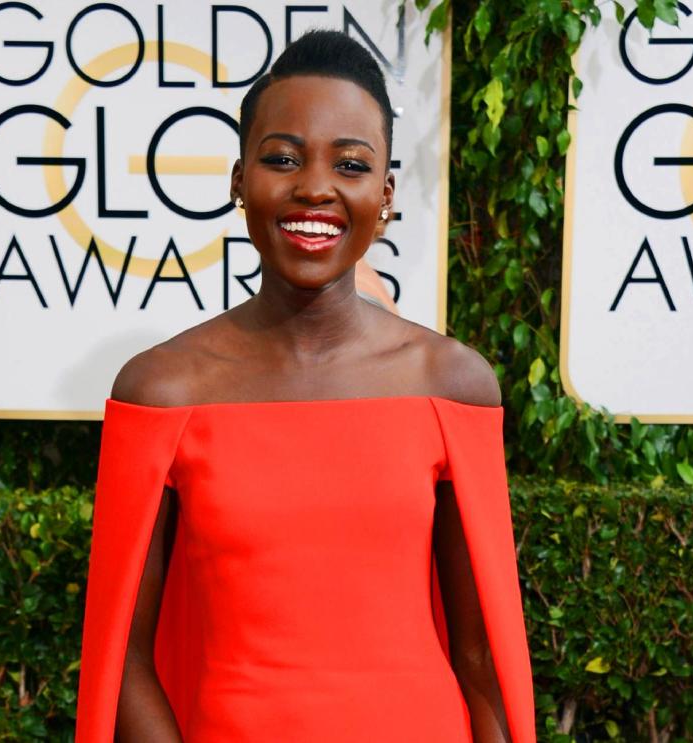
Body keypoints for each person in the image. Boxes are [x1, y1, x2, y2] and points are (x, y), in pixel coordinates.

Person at [75, 30, 534, 743]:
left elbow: (482, 656)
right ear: (238, 180)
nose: (315, 186)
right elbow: (122, 659)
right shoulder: (162, 391)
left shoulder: (451, 384)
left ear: (383, 195)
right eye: (282, 158)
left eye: (349, 164)